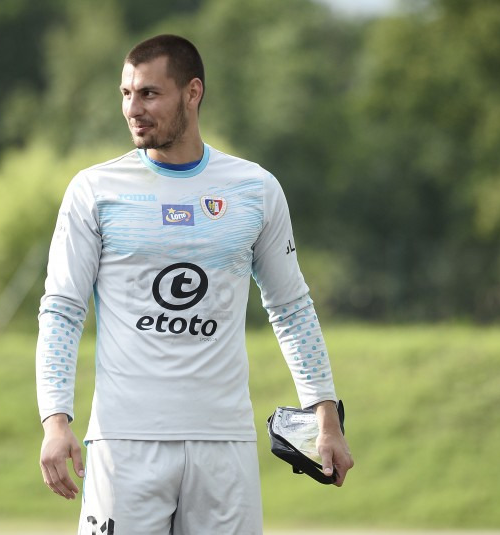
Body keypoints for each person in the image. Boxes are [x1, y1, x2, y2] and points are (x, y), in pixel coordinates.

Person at [36, 34, 353, 535]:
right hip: (125, 441)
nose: (133, 109)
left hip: (224, 443)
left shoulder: (256, 189)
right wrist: (56, 420)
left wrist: (325, 416)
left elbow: (291, 308)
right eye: (126, 94)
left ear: (192, 92)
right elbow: (62, 310)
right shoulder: (94, 190)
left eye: (149, 93)